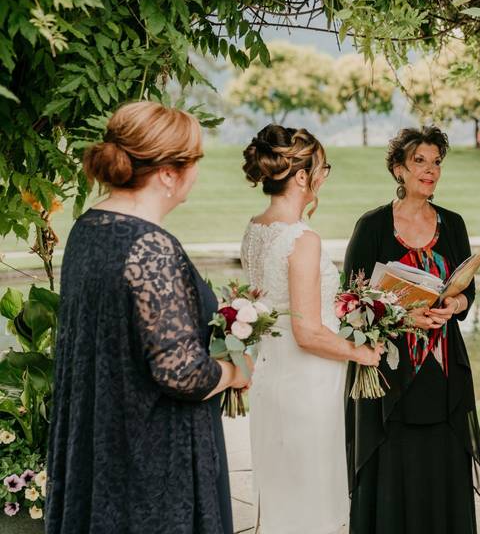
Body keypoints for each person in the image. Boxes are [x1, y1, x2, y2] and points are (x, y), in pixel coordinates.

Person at [44, 101, 250, 533]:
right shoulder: (151, 248)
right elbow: (183, 374)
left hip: (103, 444)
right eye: (194, 160)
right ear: (169, 174)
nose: (196, 171)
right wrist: (235, 371)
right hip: (151, 459)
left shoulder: (88, 227)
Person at [343, 126, 480, 534]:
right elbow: (350, 303)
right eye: (420, 162)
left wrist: (455, 304)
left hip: (443, 373)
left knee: (442, 463)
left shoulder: (454, 225)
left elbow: (468, 294)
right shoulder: (372, 227)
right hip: (391, 376)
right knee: (394, 466)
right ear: (399, 170)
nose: (431, 171)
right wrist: (406, 318)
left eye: (437, 162)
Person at [239, 125, 382, 534]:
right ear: (301, 176)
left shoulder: (255, 230)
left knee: (281, 491)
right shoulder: (302, 239)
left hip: (271, 376)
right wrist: (363, 352)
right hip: (307, 384)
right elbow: (309, 332)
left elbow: (263, 312)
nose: (323, 177)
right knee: (312, 499)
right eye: (322, 168)